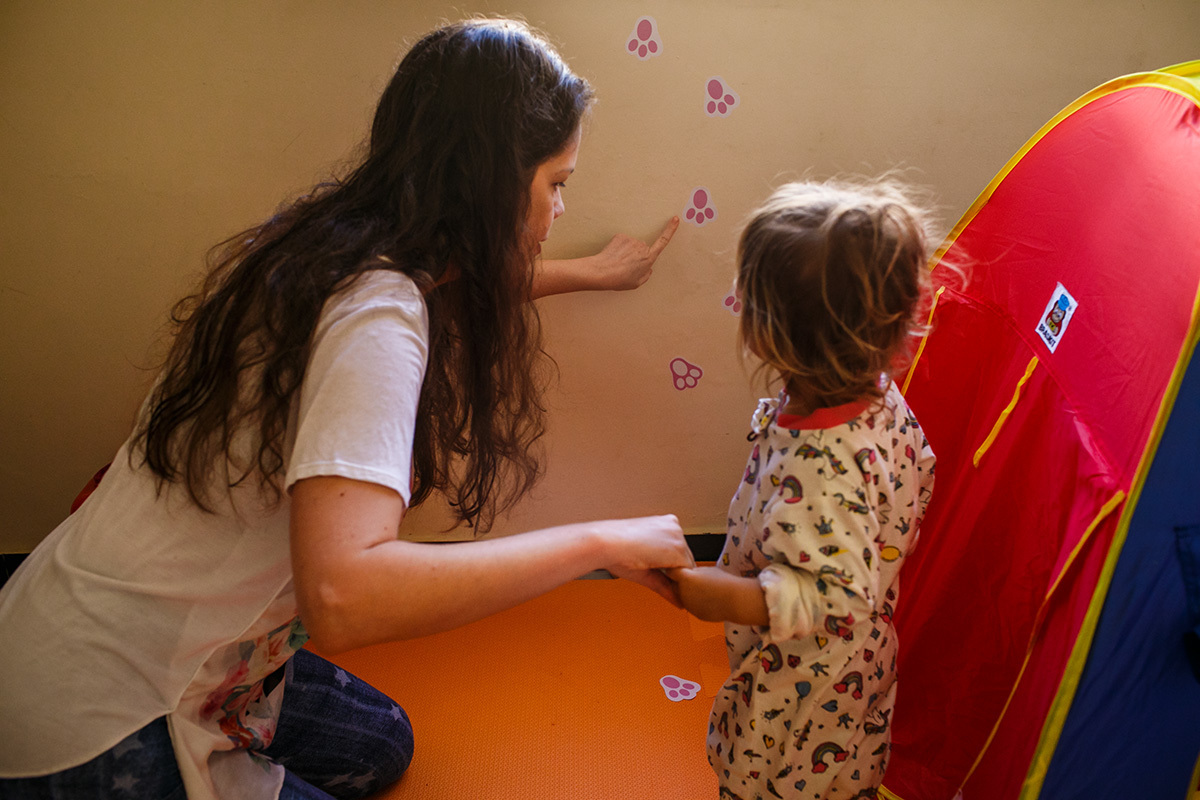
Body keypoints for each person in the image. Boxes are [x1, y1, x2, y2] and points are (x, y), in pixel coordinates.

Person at [0, 18, 693, 800]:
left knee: (382, 744)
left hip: (68, 628)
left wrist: (592, 273)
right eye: (556, 183)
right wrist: (600, 542)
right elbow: (344, 596)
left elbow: (468, 280)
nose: (560, 208)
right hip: (97, 720)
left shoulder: (339, 247)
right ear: (493, 185)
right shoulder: (375, 320)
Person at [666, 178, 938, 800]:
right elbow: (920, 473)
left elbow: (833, 600)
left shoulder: (822, 464)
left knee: (772, 783)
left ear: (769, 334)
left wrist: (721, 597)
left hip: (806, 682)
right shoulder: (879, 393)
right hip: (860, 666)